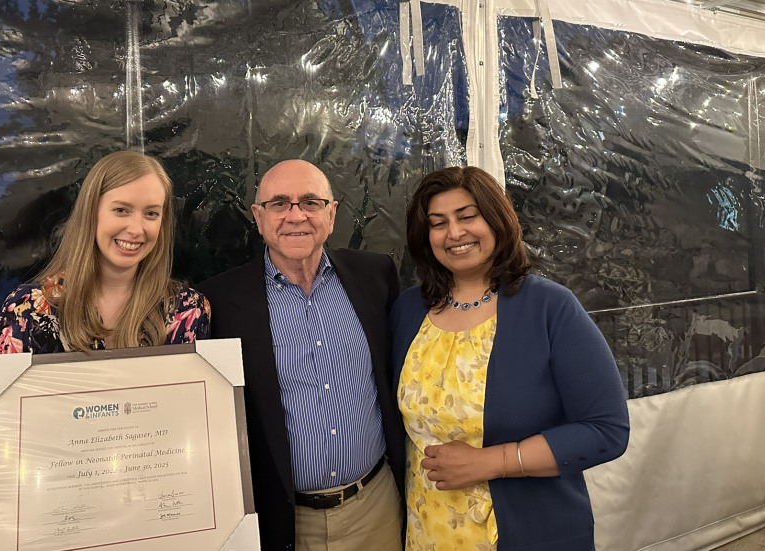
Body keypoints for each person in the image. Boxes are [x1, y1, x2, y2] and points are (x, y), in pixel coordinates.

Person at [390, 166, 629, 551]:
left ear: (497, 220)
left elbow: (607, 430)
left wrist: (491, 462)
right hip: (426, 533)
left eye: (468, 216)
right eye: (438, 223)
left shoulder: (549, 308)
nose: (454, 233)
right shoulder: (408, 311)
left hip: (527, 535)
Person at [199, 159, 405, 551]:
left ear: (332, 214)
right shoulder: (217, 303)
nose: (296, 215)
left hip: (376, 509)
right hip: (284, 523)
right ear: (258, 218)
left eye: (310, 202)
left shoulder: (375, 276)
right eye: (279, 203)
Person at [0, 150, 210, 354]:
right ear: (91, 213)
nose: (136, 229)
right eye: (121, 210)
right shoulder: (28, 309)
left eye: (151, 213)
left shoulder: (189, 309)